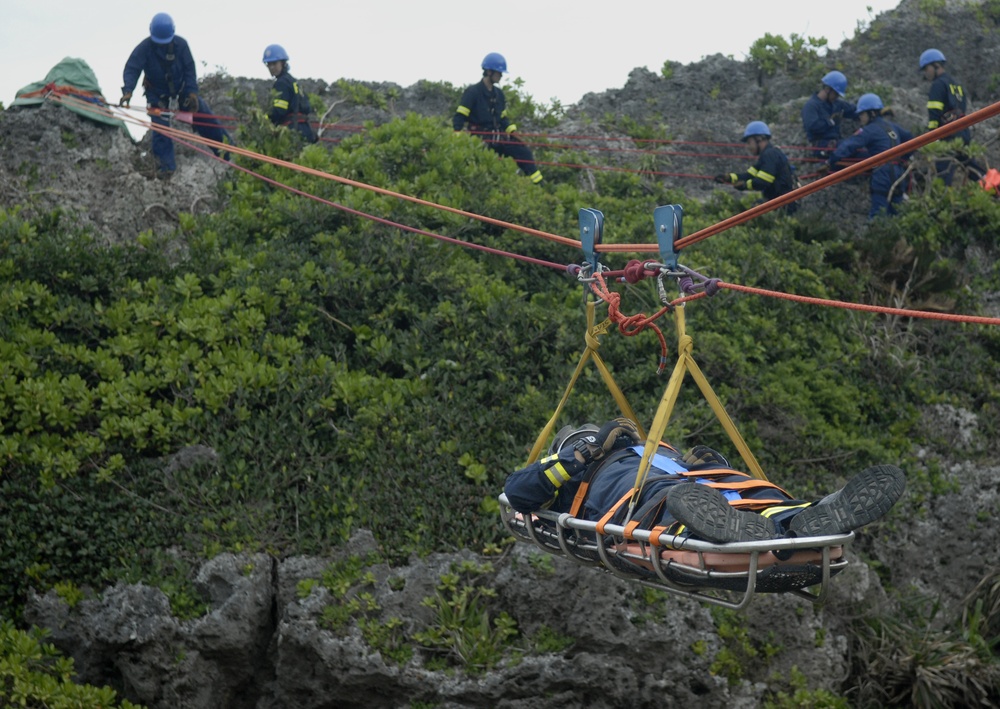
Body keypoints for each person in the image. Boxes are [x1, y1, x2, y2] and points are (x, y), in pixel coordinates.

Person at [504, 419, 906, 544]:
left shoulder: (654, 446)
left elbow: (699, 472)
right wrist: (582, 454)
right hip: (642, 498)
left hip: (701, 485)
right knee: (674, 497)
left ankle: (801, 515)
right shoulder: (567, 481)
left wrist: (710, 461)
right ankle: (717, 527)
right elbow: (516, 492)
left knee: (742, 487)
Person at [119, 12, 233, 179]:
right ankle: (166, 168)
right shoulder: (144, 48)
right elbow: (132, 68)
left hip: (182, 91)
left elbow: (189, 70)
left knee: (201, 114)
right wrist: (128, 90)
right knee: (160, 128)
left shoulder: (181, 45)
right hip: (157, 94)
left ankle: (226, 151)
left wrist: (192, 92)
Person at [453, 53, 543, 184]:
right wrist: (458, 138)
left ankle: (539, 185)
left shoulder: (499, 95)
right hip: (479, 140)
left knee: (524, 153)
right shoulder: (473, 92)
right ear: (489, 71)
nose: (501, 76)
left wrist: (512, 132)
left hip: (498, 138)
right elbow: (460, 117)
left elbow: (503, 119)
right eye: (499, 73)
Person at [828, 93, 914, 219]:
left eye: (862, 114)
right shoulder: (892, 126)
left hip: (882, 172)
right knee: (896, 213)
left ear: (872, 113)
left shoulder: (870, 129)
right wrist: (903, 158)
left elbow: (850, 145)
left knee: (878, 214)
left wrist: (832, 159)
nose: (860, 118)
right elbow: (911, 140)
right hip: (898, 173)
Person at [919, 48, 984, 185]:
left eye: (926, 68)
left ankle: (942, 203)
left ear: (936, 65)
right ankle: (994, 186)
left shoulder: (938, 85)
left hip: (948, 133)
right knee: (972, 167)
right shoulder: (956, 84)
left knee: (943, 171)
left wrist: (932, 135)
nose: (926, 73)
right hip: (963, 132)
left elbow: (934, 112)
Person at [714, 121, 798, 214]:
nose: (747, 147)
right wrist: (729, 178)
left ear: (759, 139)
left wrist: (745, 185)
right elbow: (749, 175)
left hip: (783, 206)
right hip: (777, 204)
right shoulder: (765, 156)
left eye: (749, 142)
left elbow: (762, 182)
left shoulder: (770, 155)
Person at [262, 44, 317, 144]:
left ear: (283, 63)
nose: (271, 67)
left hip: (292, 131)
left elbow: (279, 111)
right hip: (305, 129)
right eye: (269, 64)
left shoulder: (281, 83)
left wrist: (263, 119)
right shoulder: (293, 81)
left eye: (274, 63)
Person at [800, 70, 858, 156]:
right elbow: (812, 127)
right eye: (836, 94)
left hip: (837, 144)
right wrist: (831, 122)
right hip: (821, 147)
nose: (837, 97)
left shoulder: (836, 104)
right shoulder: (811, 106)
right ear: (827, 89)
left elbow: (853, 110)